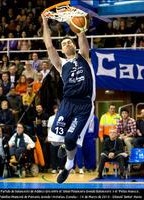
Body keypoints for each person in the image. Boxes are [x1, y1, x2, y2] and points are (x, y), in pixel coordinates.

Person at [42, 14, 95, 184]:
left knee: (70, 139)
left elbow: (81, 38)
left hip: (84, 104)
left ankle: (69, 165)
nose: (66, 44)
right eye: (63, 44)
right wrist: (44, 22)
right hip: (67, 103)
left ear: (73, 45)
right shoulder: (61, 64)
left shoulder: (84, 57)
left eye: (69, 42)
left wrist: (80, 31)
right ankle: (66, 149)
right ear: (62, 49)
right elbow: (49, 45)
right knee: (56, 142)